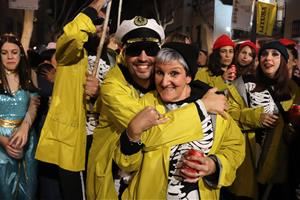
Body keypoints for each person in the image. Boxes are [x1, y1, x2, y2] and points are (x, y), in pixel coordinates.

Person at [86, 16, 229, 199]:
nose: (143, 57)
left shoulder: (164, 83)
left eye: (151, 50)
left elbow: (233, 145)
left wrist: (214, 164)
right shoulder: (112, 87)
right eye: (135, 50)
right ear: (122, 52)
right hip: (113, 179)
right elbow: (149, 134)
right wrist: (201, 108)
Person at [114, 42, 245, 199]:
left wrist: (214, 165)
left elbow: (234, 147)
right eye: (159, 73)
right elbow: (127, 163)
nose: (164, 82)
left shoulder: (215, 107)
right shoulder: (146, 105)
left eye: (174, 73)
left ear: (188, 76)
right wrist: (131, 135)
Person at [35, 0, 111, 199]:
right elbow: (72, 35)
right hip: (76, 140)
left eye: (104, 23)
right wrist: (96, 5)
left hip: (103, 142)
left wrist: (98, 94)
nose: (101, 26)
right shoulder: (71, 54)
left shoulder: (115, 60)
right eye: (96, 21)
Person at [227, 41, 300, 199]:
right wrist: (255, 117)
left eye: (275, 54)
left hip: (276, 164)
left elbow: (290, 134)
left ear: (283, 61)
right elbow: (227, 114)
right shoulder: (243, 83)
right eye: (264, 54)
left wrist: (294, 125)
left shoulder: (292, 90)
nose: (268, 58)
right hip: (246, 159)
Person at [0, 33, 40, 199]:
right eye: (4, 52)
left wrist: (25, 127)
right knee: (5, 191)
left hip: (27, 139)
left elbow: (34, 103)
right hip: (1, 141)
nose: (10, 56)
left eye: (14, 52)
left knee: (28, 191)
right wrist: (3, 141)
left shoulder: (30, 74)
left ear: (21, 54)